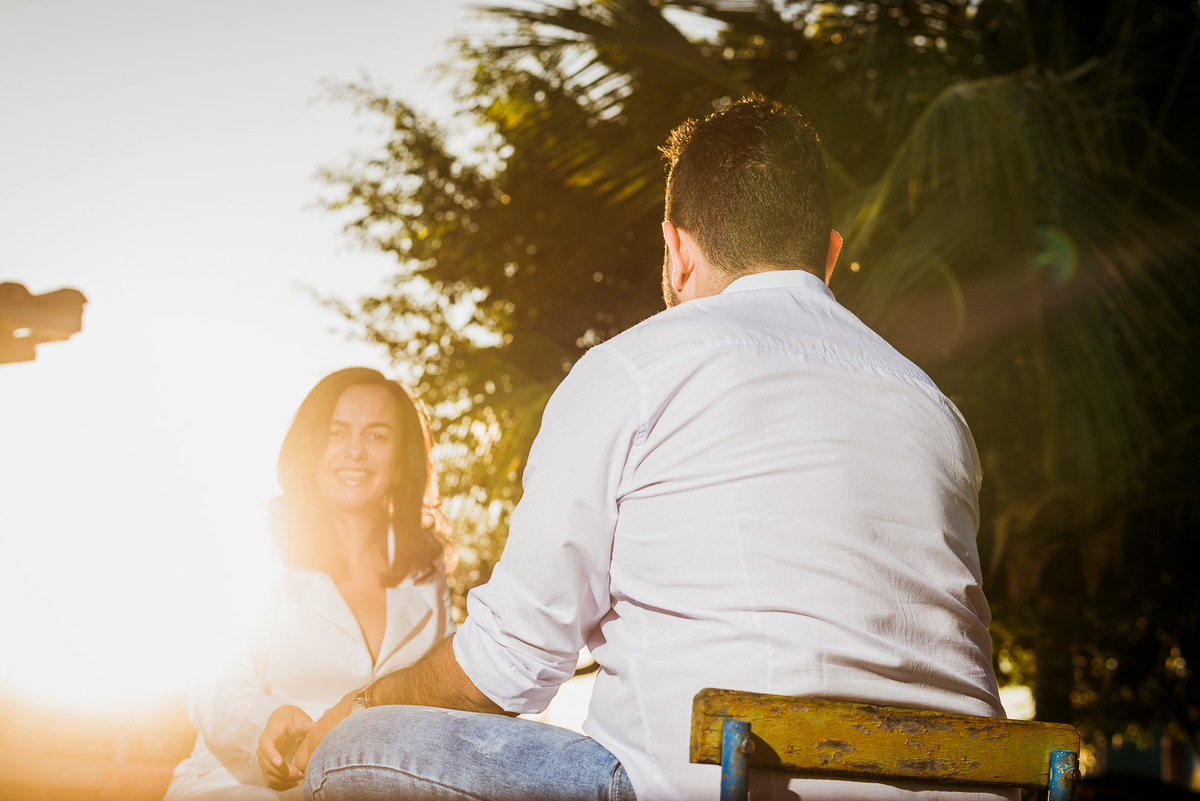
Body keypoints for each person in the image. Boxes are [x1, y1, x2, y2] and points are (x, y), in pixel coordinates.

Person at [295, 97, 1010, 800]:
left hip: (718, 785)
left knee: (351, 747)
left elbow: (512, 658)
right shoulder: (935, 410)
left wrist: (365, 702)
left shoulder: (634, 369)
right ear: (829, 255)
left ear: (677, 248)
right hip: (978, 785)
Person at [163, 367, 455, 800]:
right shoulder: (254, 542)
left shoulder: (426, 568)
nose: (355, 451)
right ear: (309, 446)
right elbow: (211, 681)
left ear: (402, 459)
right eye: (336, 433)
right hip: (246, 787)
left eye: (377, 436)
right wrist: (265, 719)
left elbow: (441, 690)